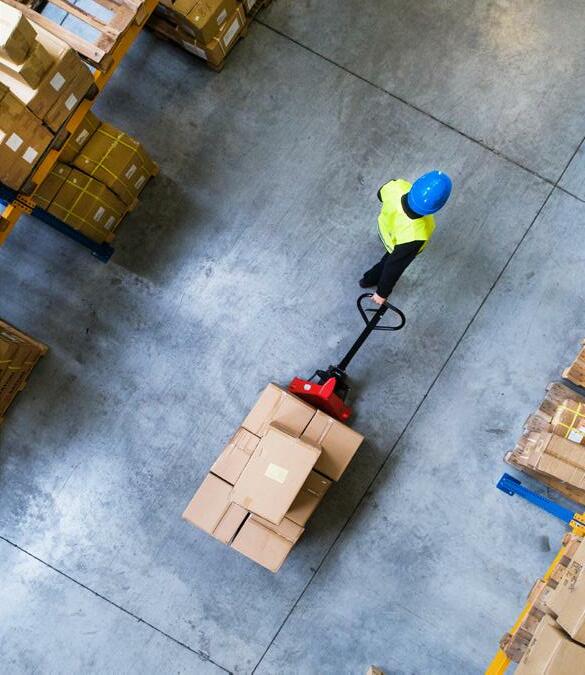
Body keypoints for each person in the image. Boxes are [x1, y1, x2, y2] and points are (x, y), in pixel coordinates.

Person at [360, 171, 452, 305]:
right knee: (387, 262)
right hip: (397, 245)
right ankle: (369, 279)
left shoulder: (397, 187)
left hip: (385, 230)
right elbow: (394, 266)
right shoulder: (416, 234)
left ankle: (366, 281)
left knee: (388, 261)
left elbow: (380, 194)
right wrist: (382, 293)